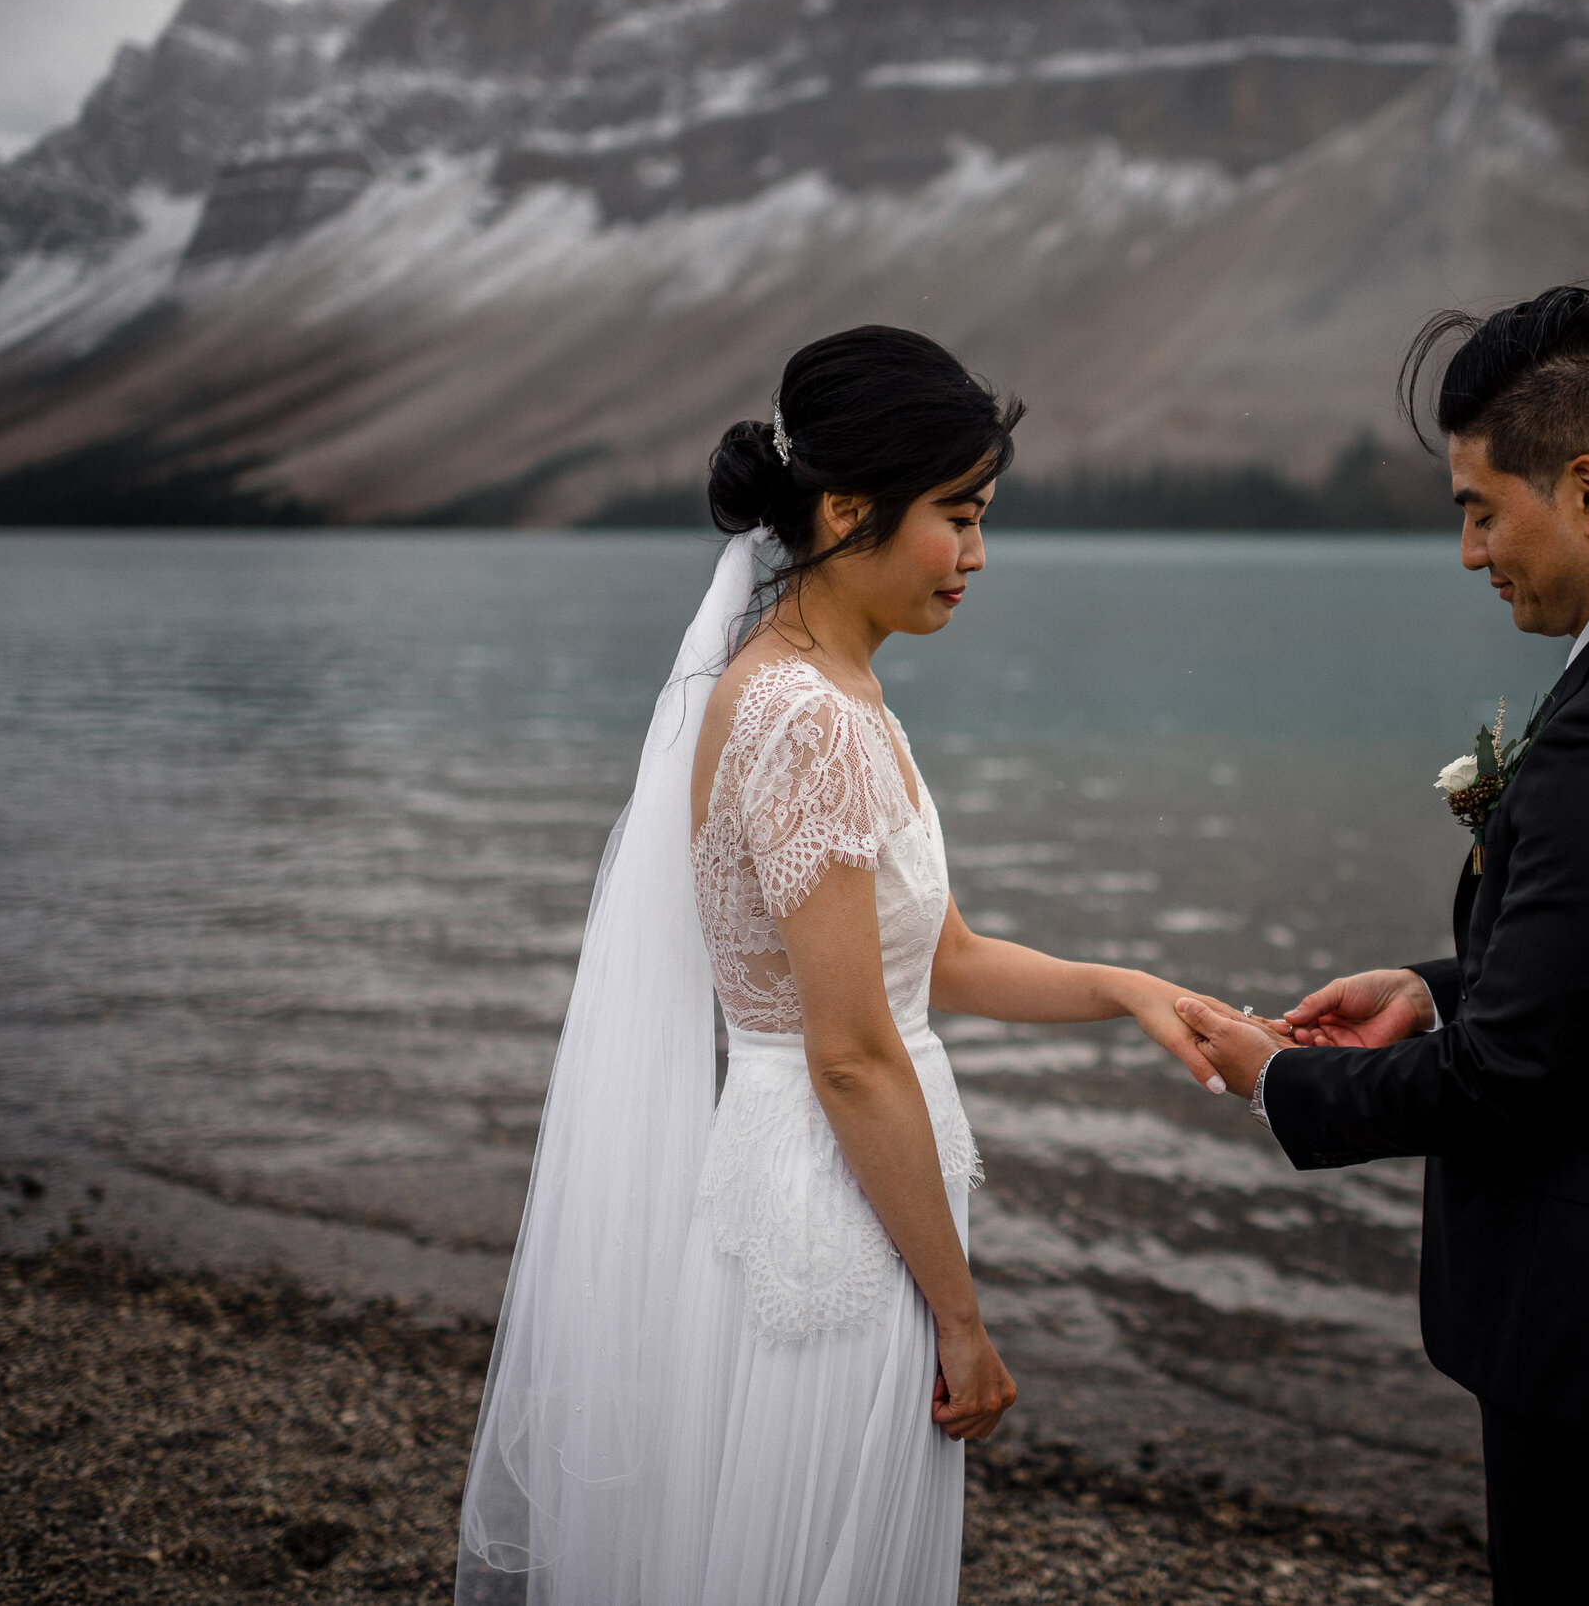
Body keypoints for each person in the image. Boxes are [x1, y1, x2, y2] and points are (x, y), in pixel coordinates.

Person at [455, 326, 1225, 1606]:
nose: (978, 555)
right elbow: (854, 1052)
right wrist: (963, 1319)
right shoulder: (812, 720)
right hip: (833, 1221)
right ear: (847, 506)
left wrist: (1124, 987)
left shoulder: (807, 688)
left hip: (797, 1188)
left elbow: (943, 955)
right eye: (958, 516)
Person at [1175, 287, 1589, 1606]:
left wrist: (1273, 1075)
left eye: (1479, 507)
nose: (1468, 551)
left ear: (1586, 490)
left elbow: (1512, 1074)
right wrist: (1429, 983)